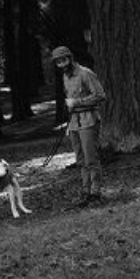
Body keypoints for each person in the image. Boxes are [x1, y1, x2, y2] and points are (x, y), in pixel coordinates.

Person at [51, 46, 107, 205]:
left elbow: (100, 95)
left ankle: (96, 193)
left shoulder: (86, 73)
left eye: (64, 60)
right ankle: (85, 192)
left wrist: (77, 102)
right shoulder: (65, 77)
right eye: (58, 62)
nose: (61, 64)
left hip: (89, 120)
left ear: (70, 58)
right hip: (74, 122)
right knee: (80, 160)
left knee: (91, 159)